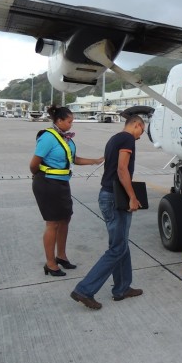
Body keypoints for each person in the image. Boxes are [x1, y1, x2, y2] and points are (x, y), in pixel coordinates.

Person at [70, 115, 146, 310]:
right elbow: (122, 169)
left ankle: (122, 288)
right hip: (115, 198)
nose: (140, 136)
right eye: (141, 131)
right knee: (117, 248)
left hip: (108, 196)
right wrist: (132, 196)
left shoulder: (114, 138)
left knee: (121, 244)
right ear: (136, 125)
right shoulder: (127, 139)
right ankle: (84, 290)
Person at [29, 105, 104, 277]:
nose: (71, 124)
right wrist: (40, 176)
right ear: (59, 121)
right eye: (69, 121)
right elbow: (34, 164)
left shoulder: (66, 139)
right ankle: (50, 263)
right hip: (47, 184)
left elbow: (74, 159)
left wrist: (95, 160)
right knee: (53, 223)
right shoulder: (48, 137)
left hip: (62, 184)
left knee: (65, 220)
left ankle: (61, 256)